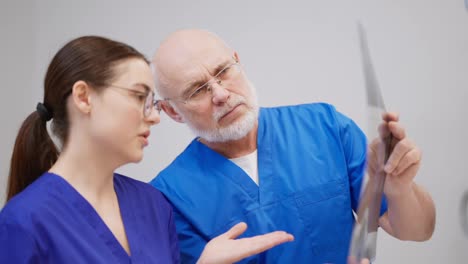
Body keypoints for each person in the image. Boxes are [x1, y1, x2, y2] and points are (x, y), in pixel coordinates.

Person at [150, 29, 436, 264]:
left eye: (223, 71)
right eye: (198, 90)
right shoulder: (168, 198)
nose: (221, 94)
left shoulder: (325, 127)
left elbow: (417, 230)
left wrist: (400, 191)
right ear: (173, 112)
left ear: (238, 62)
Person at [0, 36, 294, 263]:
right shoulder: (24, 222)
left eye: (153, 103)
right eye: (139, 97)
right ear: (84, 97)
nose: (154, 116)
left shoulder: (153, 205)